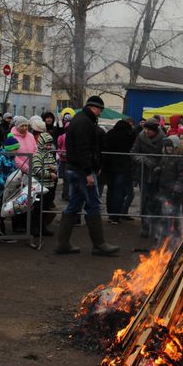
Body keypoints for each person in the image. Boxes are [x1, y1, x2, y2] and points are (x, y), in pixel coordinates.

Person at [55, 95, 119, 256]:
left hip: (74, 169)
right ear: (94, 108)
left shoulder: (80, 119)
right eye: (100, 110)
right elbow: (83, 150)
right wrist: (89, 172)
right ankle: (99, 245)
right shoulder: (84, 122)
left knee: (74, 205)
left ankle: (63, 244)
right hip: (81, 171)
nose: (100, 113)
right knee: (94, 205)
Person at [131, 118, 165, 237]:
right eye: (146, 129)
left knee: (156, 201)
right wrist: (143, 159)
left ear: (155, 131)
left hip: (157, 174)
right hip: (144, 173)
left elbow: (165, 154)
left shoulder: (163, 138)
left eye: (149, 130)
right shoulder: (140, 137)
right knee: (144, 201)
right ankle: (145, 226)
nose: (147, 132)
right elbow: (133, 152)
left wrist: (159, 166)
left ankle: (156, 227)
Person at [153, 136, 183, 244]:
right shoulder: (165, 157)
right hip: (163, 188)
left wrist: (178, 186)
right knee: (163, 211)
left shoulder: (180, 158)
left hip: (174, 190)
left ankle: (177, 232)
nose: (168, 149)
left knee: (175, 211)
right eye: (167, 147)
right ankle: (164, 232)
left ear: (175, 147)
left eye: (170, 146)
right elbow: (161, 169)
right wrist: (157, 170)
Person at [102, 119, 135, 222]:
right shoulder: (127, 136)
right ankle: (116, 215)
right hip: (122, 167)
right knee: (119, 191)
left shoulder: (109, 134)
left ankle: (110, 213)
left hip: (109, 167)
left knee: (110, 190)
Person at [30, 120, 59, 236]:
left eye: (50, 144)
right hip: (39, 187)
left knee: (46, 208)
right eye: (46, 144)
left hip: (49, 186)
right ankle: (34, 228)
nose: (48, 146)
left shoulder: (50, 155)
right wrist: (49, 174)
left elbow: (56, 166)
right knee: (37, 209)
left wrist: (55, 168)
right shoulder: (37, 155)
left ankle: (43, 227)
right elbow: (37, 170)